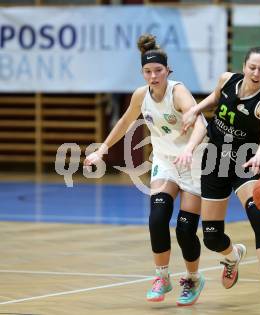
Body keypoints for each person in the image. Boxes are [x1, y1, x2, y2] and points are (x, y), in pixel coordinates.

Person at [84, 34, 205, 306]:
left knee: (186, 231)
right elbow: (126, 122)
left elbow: (200, 124)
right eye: (148, 72)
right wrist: (103, 148)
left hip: (193, 161)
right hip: (165, 161)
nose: (153, 76)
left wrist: (189, 148)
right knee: (157, 217)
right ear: (142, 73)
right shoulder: (141, 96)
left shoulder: (179, 92)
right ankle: (162, 276)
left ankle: (193, 279)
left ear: (167, 71)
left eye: (158, 71)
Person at [175, 46, 260, 308]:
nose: (256, 72)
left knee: (258, 218)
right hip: (214, 161)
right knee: (211, 237)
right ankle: (232, 256)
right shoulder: (227, 79)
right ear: (244, 66)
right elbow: (215, 98)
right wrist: (196, 110)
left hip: (246, 164)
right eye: (252, 67)